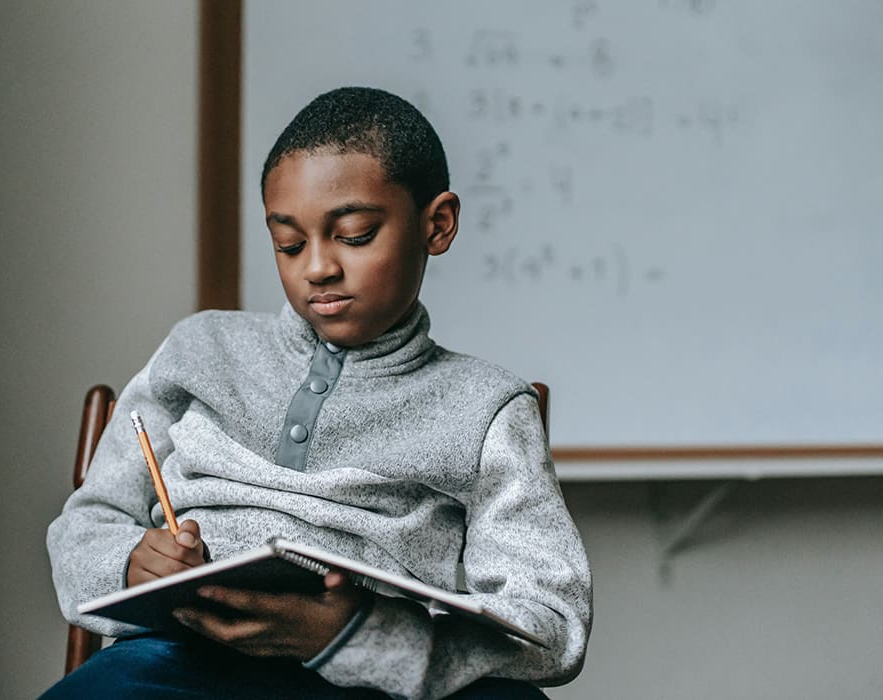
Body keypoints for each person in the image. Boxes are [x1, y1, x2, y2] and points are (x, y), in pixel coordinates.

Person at [41, 86, 591, 700]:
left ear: (436, 225)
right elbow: (88, 524)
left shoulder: (487, 406)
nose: (318, 268)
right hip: (177, 661)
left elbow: (552, 624)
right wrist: (131, 566)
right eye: (289, 243)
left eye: (353, 235)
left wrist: (359, 633)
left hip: (369, 680)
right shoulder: (199, 350)